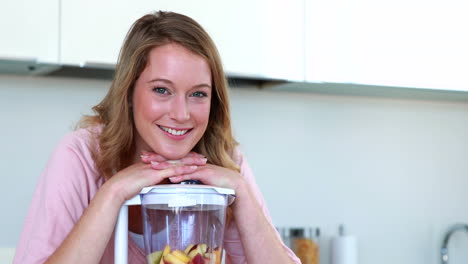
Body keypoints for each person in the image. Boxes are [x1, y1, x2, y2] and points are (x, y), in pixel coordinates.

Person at [13, 11, 300, 264]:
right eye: (162, 90)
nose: (181, 113)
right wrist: (113, 193)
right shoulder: (81, 155)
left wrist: (240, 191)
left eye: (198, 94)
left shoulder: (225, 163)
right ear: (128, 92)